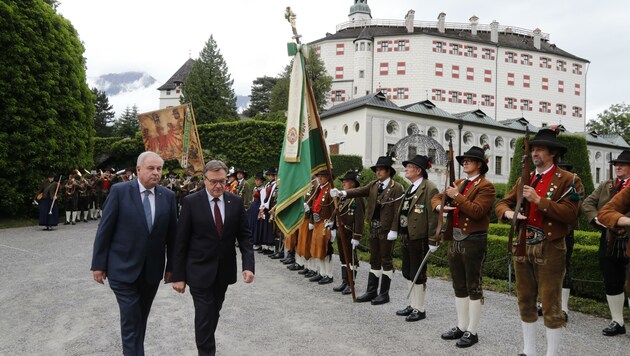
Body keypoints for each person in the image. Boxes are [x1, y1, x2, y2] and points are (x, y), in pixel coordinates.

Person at [495, 128, 583, 356]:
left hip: (550, 247)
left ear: (552, 153)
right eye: (533, 149)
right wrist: (508, 214)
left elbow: (571, 214)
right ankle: (529, 350)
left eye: (540, 149)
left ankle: (551, 354)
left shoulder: (569, 180)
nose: (535, 153)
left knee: (550, 303)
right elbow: (502, 203)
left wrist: (539, 201)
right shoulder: (525, 178)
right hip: (523, 243)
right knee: (525, 300)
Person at [91, 151, 178, 356]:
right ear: (138, 170)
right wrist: (98, 264)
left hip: (151, 272)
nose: (156, 173)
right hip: (122, 269)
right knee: (131, 318)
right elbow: (105, 229)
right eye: (151, 168)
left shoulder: (168, 196)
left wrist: (172, 267)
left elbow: (172, 237)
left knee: (141, 318)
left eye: (159, 169)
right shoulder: (120, 191)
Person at [172, 160, 255, 356]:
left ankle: (206, 347)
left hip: (223, 272)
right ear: (205, 180)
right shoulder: (191, 202)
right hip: (198, 271)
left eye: (222, 181)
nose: (218, 186)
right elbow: (180, 241)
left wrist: (248, 265)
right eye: (214, 181)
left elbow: (244, 236)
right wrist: (178, 276)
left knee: (213, 313)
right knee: (204, 315)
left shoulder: (234, 202)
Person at [431, 147, 495, 347]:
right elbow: (436, 197)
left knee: (473, 286)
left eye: (469, 160)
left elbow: (477, 211)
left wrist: (456, 196)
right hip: (455, 238)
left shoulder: (486, 186)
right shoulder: (459, 183)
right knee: (458, 284)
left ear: (479, 164)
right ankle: (461, 326)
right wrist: (439, 206)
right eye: (464, 160)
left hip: (474, 239)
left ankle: (472, 331)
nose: (465, 162)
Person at [331, 154, 404, 305]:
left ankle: (384, 294)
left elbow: (398, 210)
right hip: (374, 227)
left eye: (381, 170)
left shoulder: (397, 188)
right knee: (374, 259)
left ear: (389, 171)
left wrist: (394, 229)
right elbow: (359, 191)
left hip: (386, 230)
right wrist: (343, 193)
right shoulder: (374, 185)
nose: (378, 172)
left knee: (386, 260)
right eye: (377, 169)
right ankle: (371, 291)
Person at [583, 150, 630, 336]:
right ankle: (617, 321)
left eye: (623, 164)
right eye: (616, 164)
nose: (617, 167)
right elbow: (587, 204)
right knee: (611, 279)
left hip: (628, 237)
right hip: (609, 237)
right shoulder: (606, 185)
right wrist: (598, 221)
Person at [388, 155, 439, 322]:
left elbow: (433, 217)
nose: (406, 169)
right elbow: (401, 211)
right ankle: (412, 304)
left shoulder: (429, 188)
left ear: (418, 170)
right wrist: (395, 230)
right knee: (408, 271)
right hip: (406, 235)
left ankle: (420, 308)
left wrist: (433, 240)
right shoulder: (410, 188)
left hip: (419, 237)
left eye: (409, 166)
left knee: (418, 273)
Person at [330, 170, 365, 295]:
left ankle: (351, 283)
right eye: (343, 181)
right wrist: (332, 223)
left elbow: (359, 218)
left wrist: (357, 236)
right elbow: (337, 211)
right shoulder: (343, 197)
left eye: (346, 181)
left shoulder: (357, 198)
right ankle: (345, 281)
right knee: (343, 258)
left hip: (350, 233)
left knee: (351, 259)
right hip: (341, 232)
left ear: (353, 184)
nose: (344, 183)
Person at [307, 170, 335, 285]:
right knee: (317, 248)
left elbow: (334, 208)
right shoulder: (319, 188)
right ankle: (322, 272)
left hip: (325, 222)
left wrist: (333, 224)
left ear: (328, 177)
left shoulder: (330, 189)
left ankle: (329, 274)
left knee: (326, 249)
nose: (320, 178)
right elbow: (314, 204)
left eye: (323, 177)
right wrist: (312, 220)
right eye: (319, 176)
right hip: (318, 222)